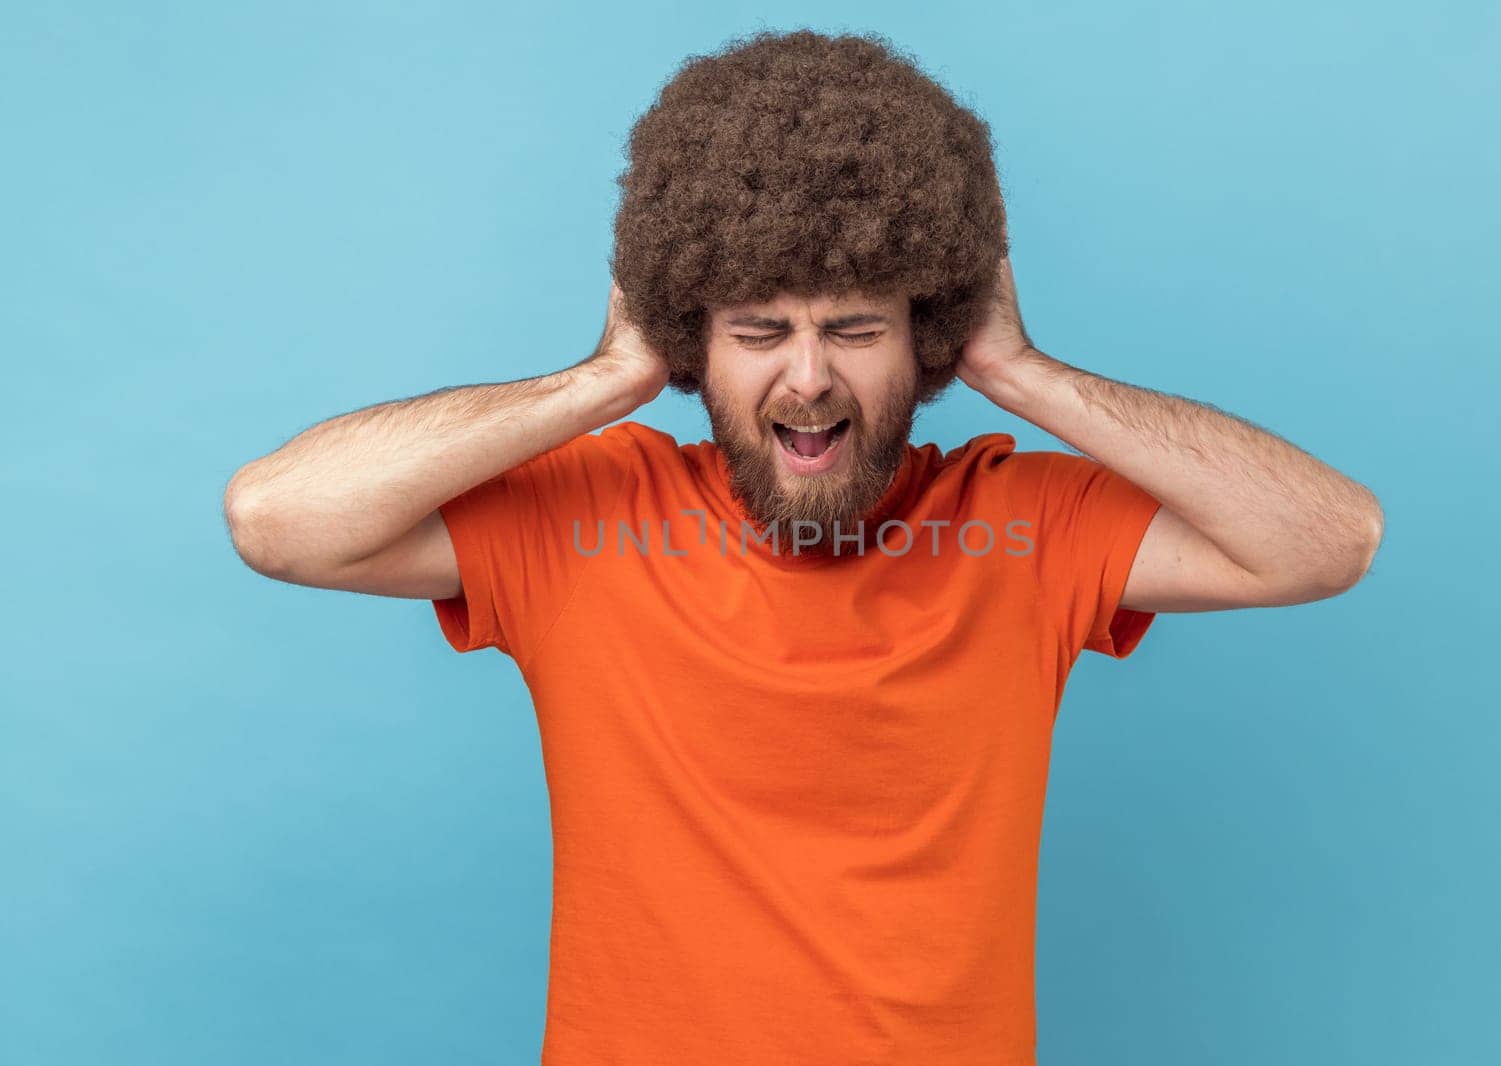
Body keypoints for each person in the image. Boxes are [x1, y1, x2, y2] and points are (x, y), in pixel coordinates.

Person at [223, 28, 1383, 1066]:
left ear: (929, 336)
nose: (811, 375)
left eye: (857, 327)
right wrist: (603, 379)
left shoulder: (1022, 525)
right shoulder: (587, 518)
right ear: (695, 345)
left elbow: (1325, 543)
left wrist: (1022, 374)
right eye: (759, 330)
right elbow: (278, 520)